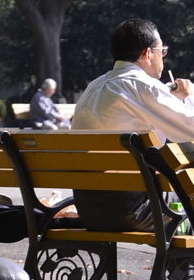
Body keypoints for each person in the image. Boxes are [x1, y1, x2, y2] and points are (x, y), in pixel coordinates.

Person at [70, 18, 194, 231]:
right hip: (135, 209)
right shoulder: (144, 87)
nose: (162, 58)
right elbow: (190, 129)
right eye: (161, 51)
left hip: (90, 209)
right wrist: (189, 96)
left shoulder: (93, 87)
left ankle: (182, 264)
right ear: (147, 54)